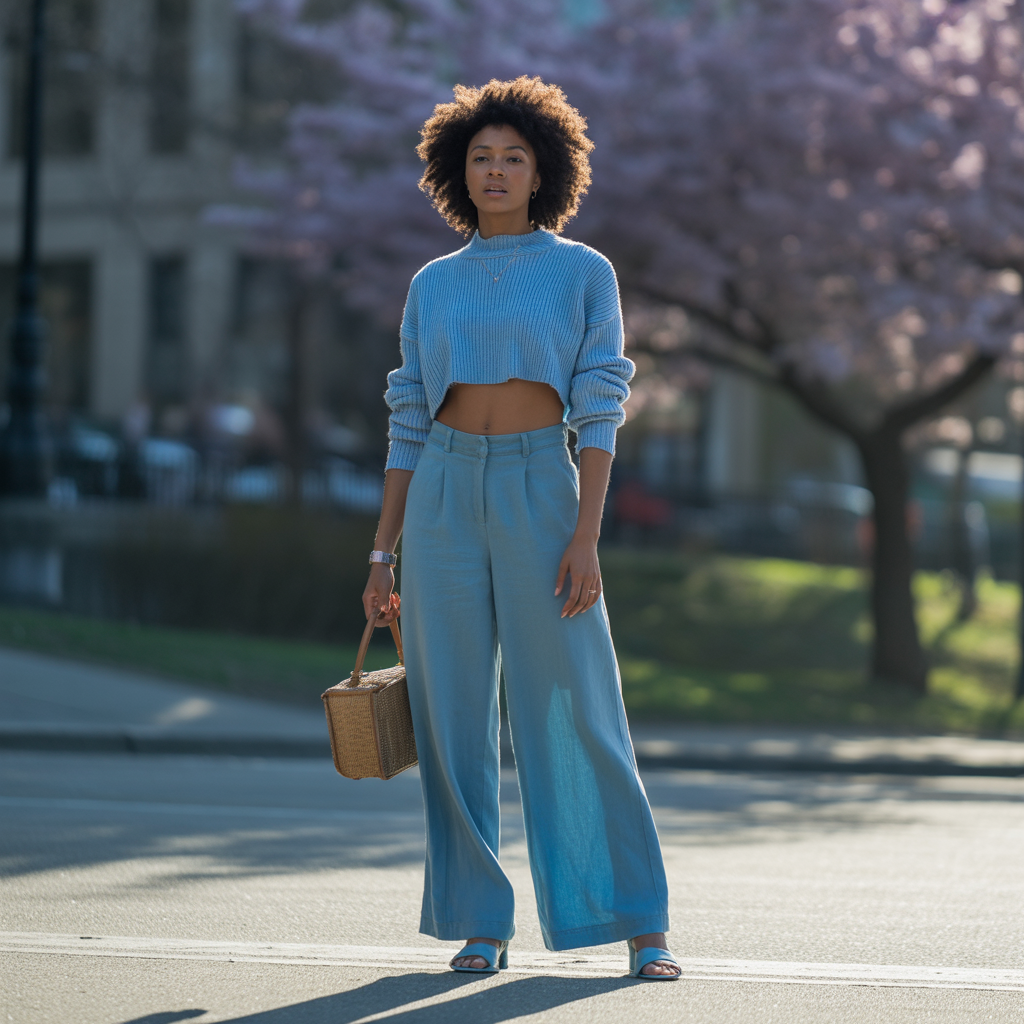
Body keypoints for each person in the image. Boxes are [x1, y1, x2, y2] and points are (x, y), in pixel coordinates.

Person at [362, 76, 680, 980]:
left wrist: (586, 534)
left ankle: (637, 920)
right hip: (443, 501)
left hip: (544, 489)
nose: (495, 171)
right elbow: (409, 416)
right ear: (455, 172)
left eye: (513, 158)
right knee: (451, 713)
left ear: (544, 172)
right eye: (480, 158)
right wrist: (382, 551)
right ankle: (477, 919)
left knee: (578, 704)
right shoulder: (433, 283)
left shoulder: (584, 272)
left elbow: (601, 403)